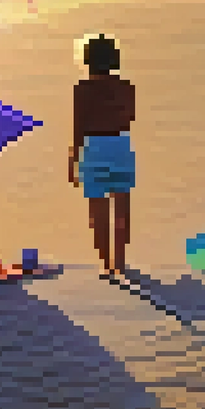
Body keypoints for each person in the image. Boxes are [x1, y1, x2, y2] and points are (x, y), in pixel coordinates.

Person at [69, 34, 135, 277]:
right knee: (122, 209)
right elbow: (129, 117)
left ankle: (107, 264)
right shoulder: (126, 87)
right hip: (120, 145)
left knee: (98, 211)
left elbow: (78, 126)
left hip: (94, 146)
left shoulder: (83, 89)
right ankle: (120, 262)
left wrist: (73, 159)